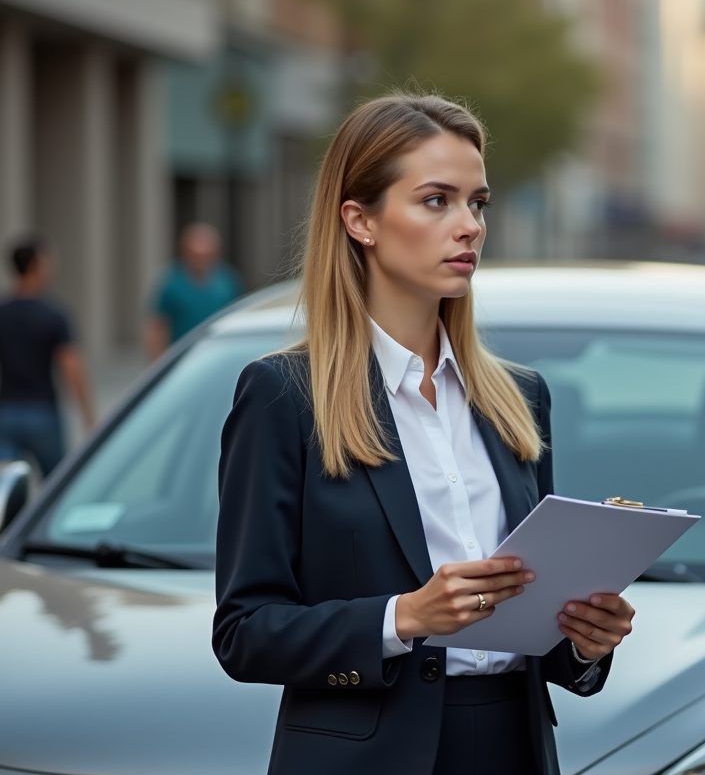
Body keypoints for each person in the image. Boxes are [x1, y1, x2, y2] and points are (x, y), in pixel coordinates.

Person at [212, 93, 635, 775]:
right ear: (361, 220)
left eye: (478, 203)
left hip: (514, 747)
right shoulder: (284, 398)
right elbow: (244, 633)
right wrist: (403, 617)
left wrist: (586, 640)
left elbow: (539, 633)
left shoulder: (518, 398)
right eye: (437, 200)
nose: (468, 226)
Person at [0, 235, 94, 476]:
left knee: (6, 486)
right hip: (43, 412)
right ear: (36, 265)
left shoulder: (4, 312)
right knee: (57, 485)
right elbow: (72, 368)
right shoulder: (54, 314)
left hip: (6, 411)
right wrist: (88, 416)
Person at [146, 222, 241, 360]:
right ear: (185, 252)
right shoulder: (172, 283)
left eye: (207, 254)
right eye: (196, 255)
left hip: (218, 353)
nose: (202, 260)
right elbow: (158, 325)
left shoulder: (227, 280)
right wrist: (157, 361)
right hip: (181, 358)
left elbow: (237, 318)